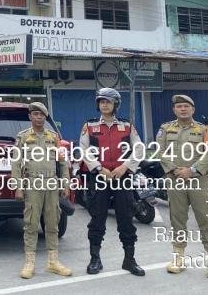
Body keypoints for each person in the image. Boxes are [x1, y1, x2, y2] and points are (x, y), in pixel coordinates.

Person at [78, 88, 145, 277]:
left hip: (122, 178)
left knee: (126, 218)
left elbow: (139, 149)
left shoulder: (127, 126)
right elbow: (84, 150)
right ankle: (95, 259)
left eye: (108, 101)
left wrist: (125, 167)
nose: (104, 104)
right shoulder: (89, 126)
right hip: (99, 178)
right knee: (97, 219)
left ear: (116, 104)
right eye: (101, 101)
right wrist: (100, 168)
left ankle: (129, 260)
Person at [156, 94, 208, 279]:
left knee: (206, 219)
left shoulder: (203, 129)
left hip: (199, 181)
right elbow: (160, 151)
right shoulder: (165, 129)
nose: (182, 109)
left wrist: (191, 171)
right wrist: (176, 170)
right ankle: (179, 258)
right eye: (179, 106)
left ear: (193, 109)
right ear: (174, 110)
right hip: (175, 180)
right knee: (177, 220)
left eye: (186, 106)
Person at [11, 102, 72, 279]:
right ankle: (29, 263)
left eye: (41, 115)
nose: (38, 117)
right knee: (31, 223)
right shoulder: (22, 137)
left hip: (52, 184)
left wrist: (65, 183)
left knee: (53, 222)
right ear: (30, 117)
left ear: (46, 117)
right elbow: (16, 163)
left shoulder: (53, 137)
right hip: (32, 184)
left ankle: (53, 262)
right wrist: (18, 187)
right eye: (35, 114)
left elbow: (62, 162)